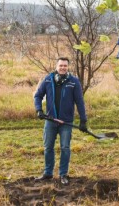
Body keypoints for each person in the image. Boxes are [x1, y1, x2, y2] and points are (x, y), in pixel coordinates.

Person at [34, 57, 87, 185]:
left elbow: (79, 101)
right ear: (56, 66)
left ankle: (63, 174)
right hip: (50, 120)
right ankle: (48, 173)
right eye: (61, 65)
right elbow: (38, 95)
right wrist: (39, 110)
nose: (63, 68)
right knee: (48, 147)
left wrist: (83, 120)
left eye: (65, 66)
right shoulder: (48, 79)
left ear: (68, 67)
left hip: (66, 122)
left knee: (65, 147)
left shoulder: (73, 82)